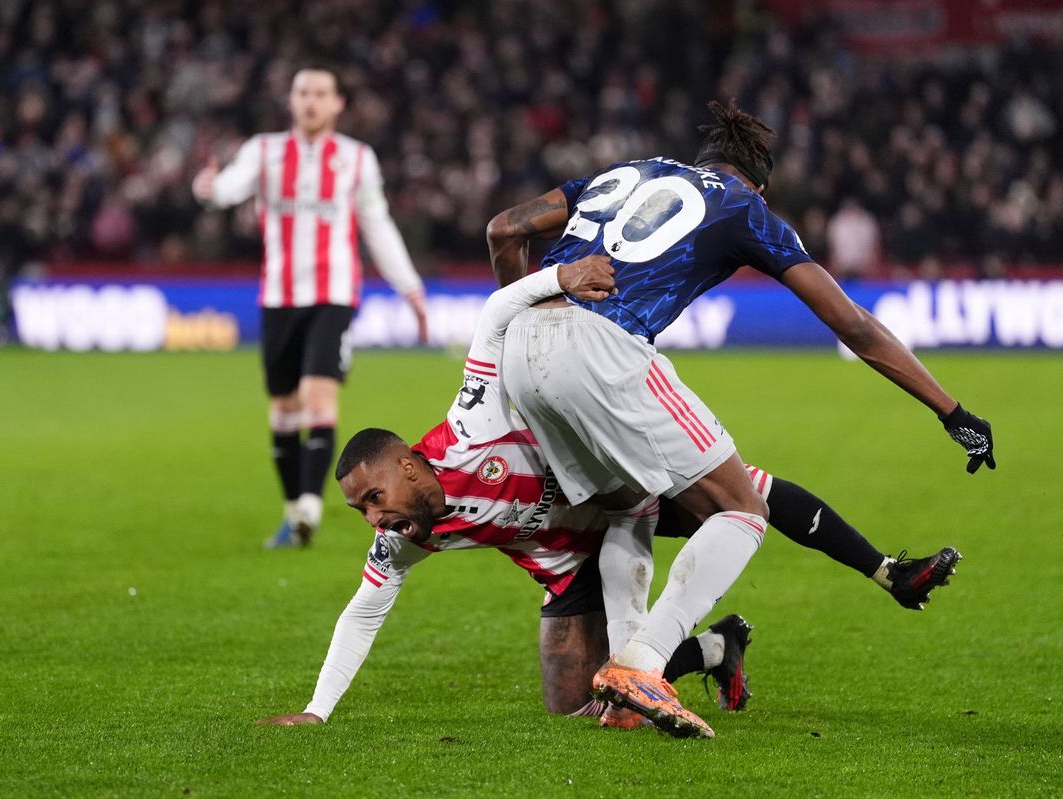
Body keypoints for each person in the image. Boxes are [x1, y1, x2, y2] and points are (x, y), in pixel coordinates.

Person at [260, 259, 962, 732]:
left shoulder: (473, 422)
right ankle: (717, 648)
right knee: (578, 704)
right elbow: (362, 613)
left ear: (411, 466)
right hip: (569, 560)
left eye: (375, 497)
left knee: (748, 493)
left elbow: (497, 311)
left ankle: (886, 570)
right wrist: (317, 711)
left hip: (619, 494)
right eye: (362, 511)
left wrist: (559, 275)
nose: (374, 519)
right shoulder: (404, 536)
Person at [484, 100, 994, 736]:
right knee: (742, 507)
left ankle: (630, 689)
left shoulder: (623, 173)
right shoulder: (740, 205)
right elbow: (854, 326)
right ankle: (642, 663)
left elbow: (506, 229)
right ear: (759, 179)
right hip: (604, 346)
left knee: (627, 504)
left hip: (516, 350)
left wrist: (518, 330)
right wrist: (953, 411)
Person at [193, 65, 428, 549]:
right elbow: (230, 188)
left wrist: (409, 287)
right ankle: (294, 510)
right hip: (279, 296)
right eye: (302, 92)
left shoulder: (357, 159)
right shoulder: (264, 151)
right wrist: (209, 189)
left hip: (334, 295)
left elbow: (377, 225)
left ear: (338, 103)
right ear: (291, 100)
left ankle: (311, 509)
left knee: (319, 397)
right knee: (283, 407)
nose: (311, 101)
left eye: (321, 93)